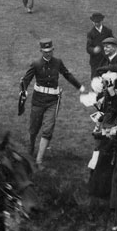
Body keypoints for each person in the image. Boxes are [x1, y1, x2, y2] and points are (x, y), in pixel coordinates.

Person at [19, 39, 86, 169]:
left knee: (48, 129)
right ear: (41, 51)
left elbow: (67, 75)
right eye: (45, 52)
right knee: (34, 129)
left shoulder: (58, 62)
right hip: (38, 101)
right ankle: (31, 145)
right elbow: (26, 79)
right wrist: (23, 91)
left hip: (53, 101)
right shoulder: (36, 64)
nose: (48, 54)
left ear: (53, 50)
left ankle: (39, 160)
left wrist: (80, 87)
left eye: (50, 51)